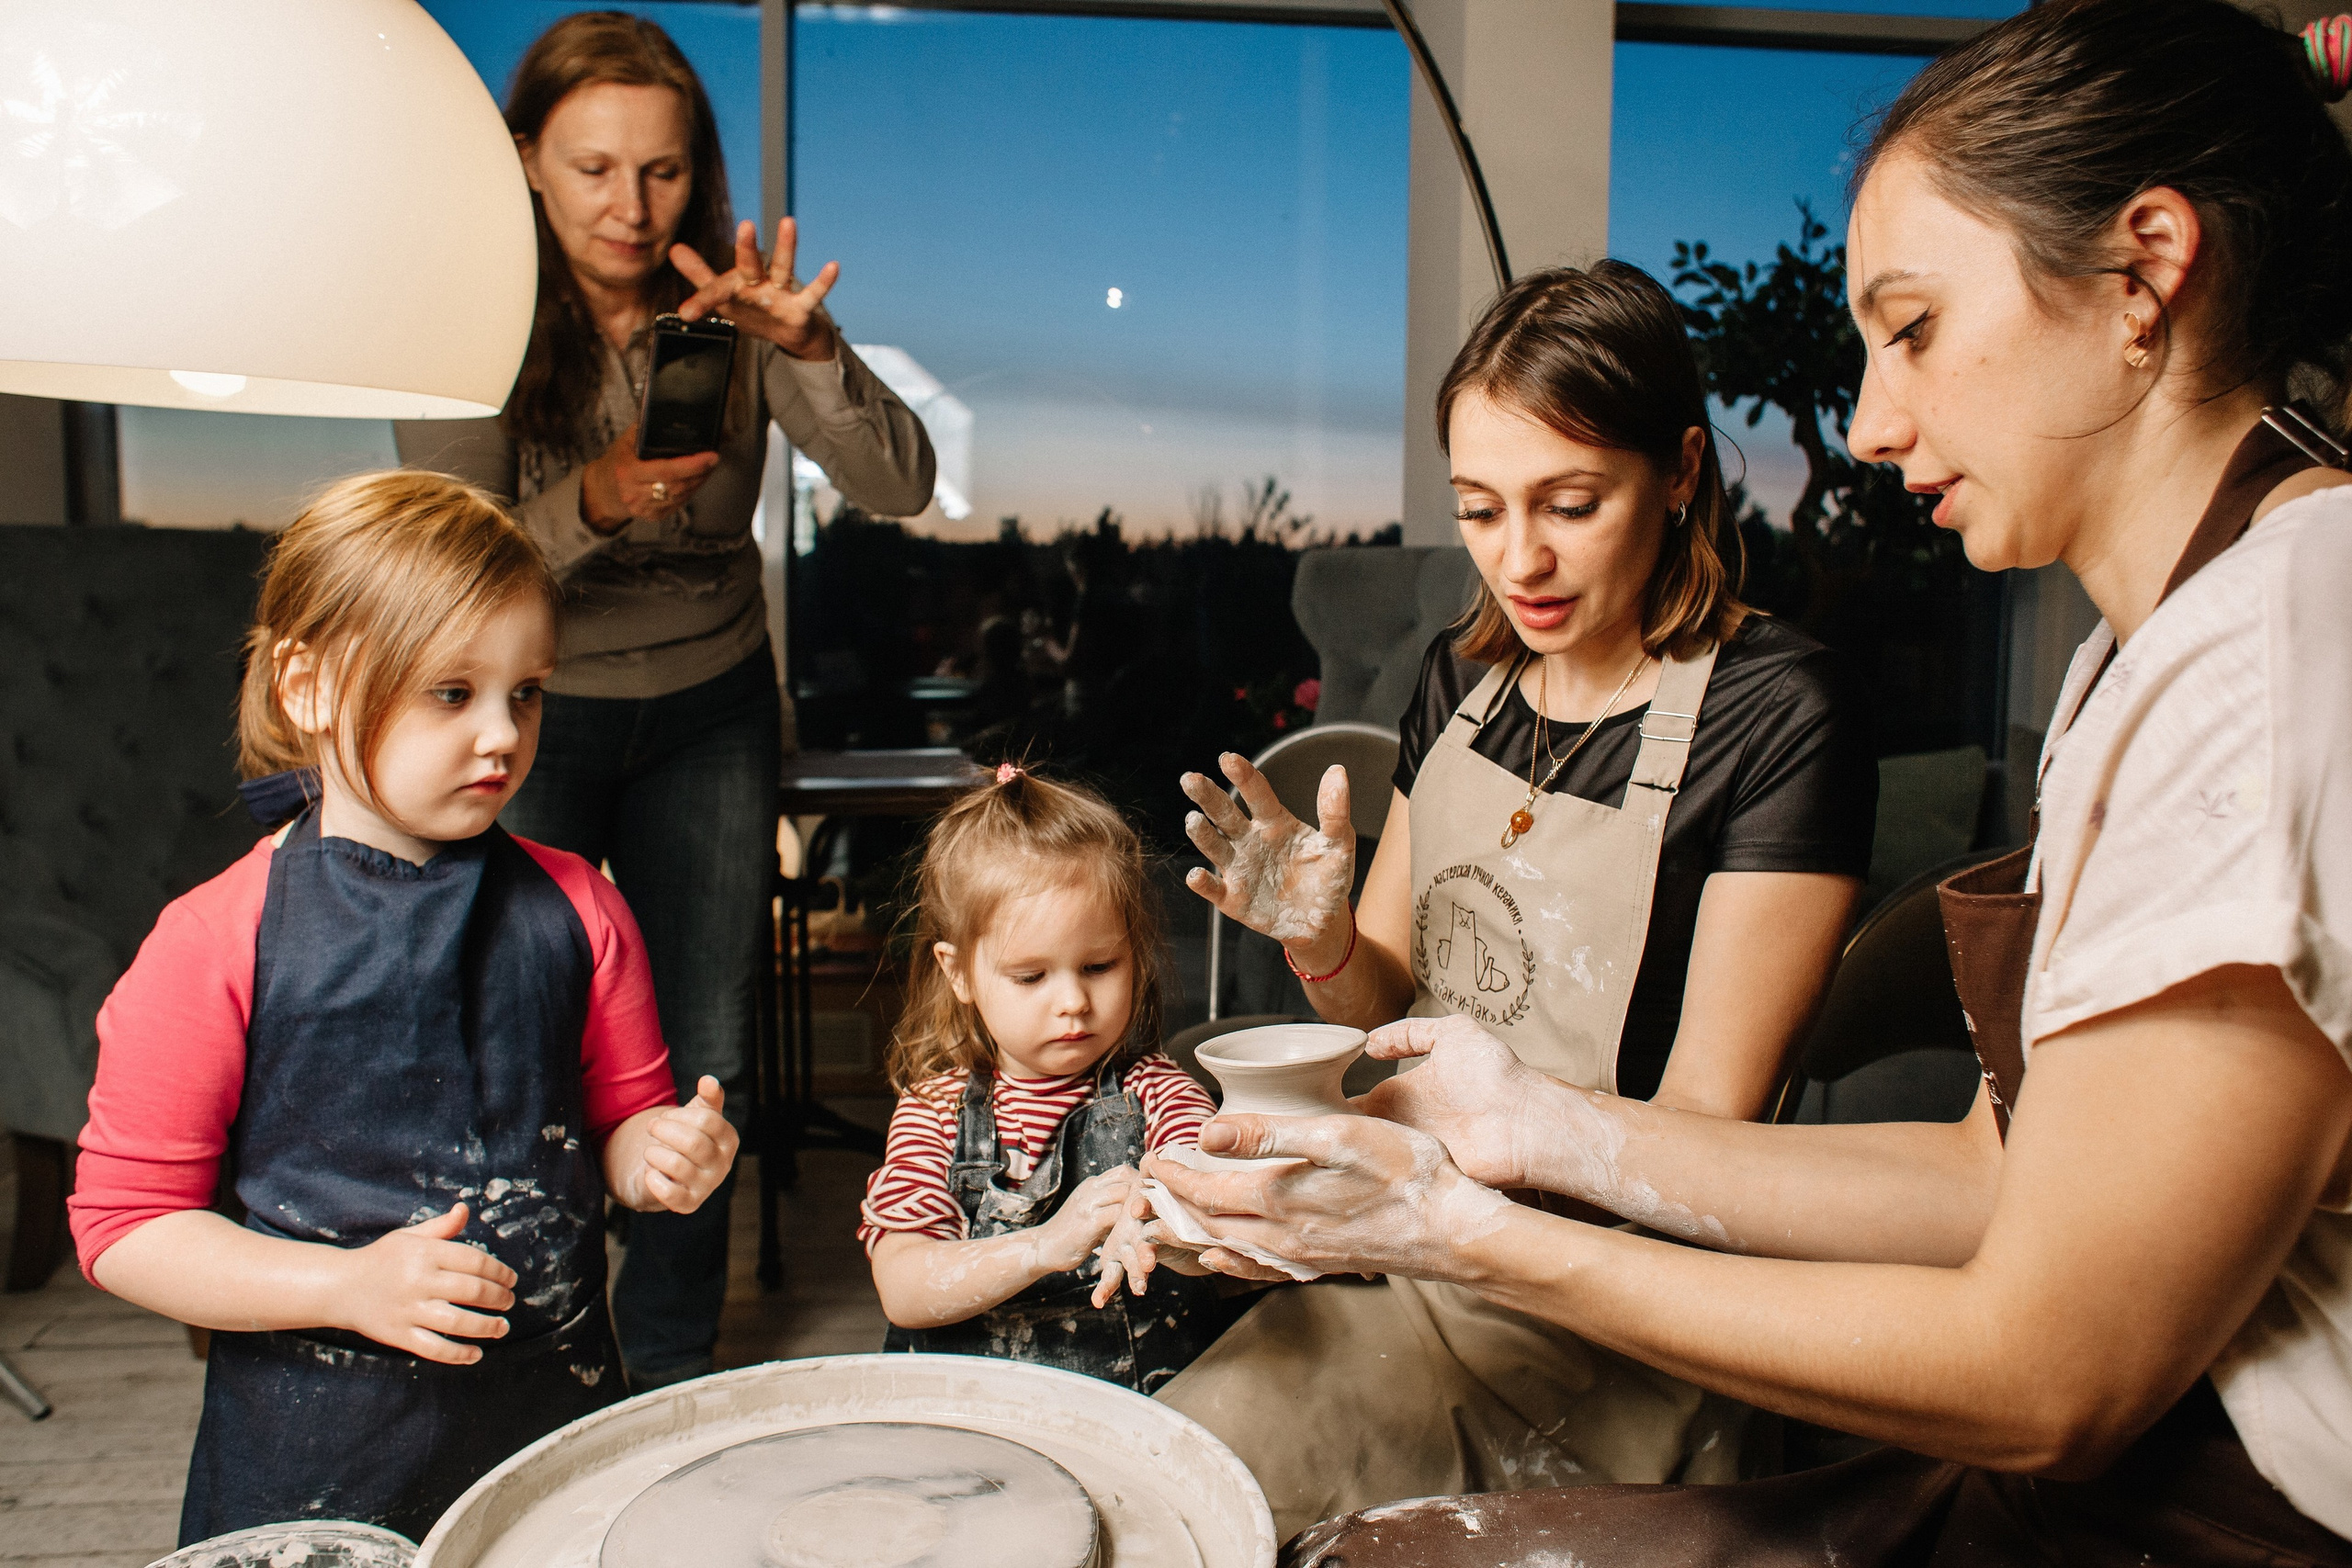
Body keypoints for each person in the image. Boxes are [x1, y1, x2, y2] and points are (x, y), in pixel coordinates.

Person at [1153, 2, 2352, 1562]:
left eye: (1912, 325)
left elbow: (2057, 1373)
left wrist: (1466, 1224)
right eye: (1482, 507)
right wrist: (1521, 1120)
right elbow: (1994, 1176)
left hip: (2240, 1500)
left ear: (2143, 271)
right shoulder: (2140, 656)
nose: (1869, 420)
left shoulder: (2269, 655)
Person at [1157, 260, 1876, 1532]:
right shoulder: (1464, 681)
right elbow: (1382, 994)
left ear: (1684, 470)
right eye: (1481, 510)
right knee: (1180, 1479)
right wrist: (1323, 944)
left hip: (1620, 1316)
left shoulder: (1778, 713)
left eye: (1573, 502)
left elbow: (1707, 1134)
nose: (1520, 561)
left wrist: (1449, 1186)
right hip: (1410, 1247)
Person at [394, 12, 934, 1390]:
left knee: (702, 1043)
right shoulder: (467, 302)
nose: (632, 209)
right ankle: (531, 1333)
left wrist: (809, 348)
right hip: (534, 712)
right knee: (519, 1028)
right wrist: (598, 496)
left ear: (701, 172)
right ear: (527, 162)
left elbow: (901, 484)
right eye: (592, 169)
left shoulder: (734, 311)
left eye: (665, 171)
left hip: (709, 702)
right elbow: (451, 559)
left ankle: (672, 1362)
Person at [65, 471, 741, 1545]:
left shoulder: (582, 906)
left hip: (551, 1434)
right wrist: (347, 1287)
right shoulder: (210, 941)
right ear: (309, 684)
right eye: (449, 692)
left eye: (525, 692)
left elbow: (616, 1131)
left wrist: (659, 1156)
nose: (501, 736)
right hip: (318, 1465)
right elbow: (125, 1228)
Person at [860, 764, 1227, 1394]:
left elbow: (1206, 1188)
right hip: (974, 1420)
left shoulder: (1158, 1090)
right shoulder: (934, 1112)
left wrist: (1164, 1211)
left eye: (1099, 965)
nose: (1073, 1002)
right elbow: (903, 1284)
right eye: (1031, 976)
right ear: (960, 973)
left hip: (1137, 1414)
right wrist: (1041, 1245)